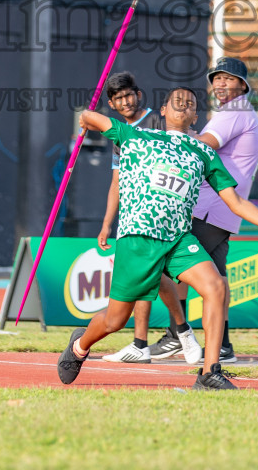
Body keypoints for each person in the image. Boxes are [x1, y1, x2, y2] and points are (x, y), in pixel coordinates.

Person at [56, 87, 258, 391]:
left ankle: (210, 372)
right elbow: (92, 116)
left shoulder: (203, 153)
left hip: (177, 239)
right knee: (114, 321)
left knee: (215, 287)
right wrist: (84, 119)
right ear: (163, 111)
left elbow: (236, 202)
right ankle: (80, 345)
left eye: (190, 103)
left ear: (195, 116)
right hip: (138, 239)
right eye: (177, 101)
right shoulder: (139, 138)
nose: (184, 104)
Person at [152, 56, 258, 363]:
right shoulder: (240, 113)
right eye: (217, 78)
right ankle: (223, 345)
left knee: (176, 267)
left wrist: (168, 135)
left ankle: (177, 335)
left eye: (228, 79)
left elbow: (204, 145)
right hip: (222, 209)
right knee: (217, 277)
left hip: (210, 206)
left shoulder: (235, 111)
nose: (221, 83)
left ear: (242, 85)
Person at [97, 72, 199, 365]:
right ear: (112, 104)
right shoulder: (120, 133)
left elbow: (187, 153)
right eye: (118, 99)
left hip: (165, 215)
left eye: (129, 95)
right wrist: (107, 223)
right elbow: (117, 181)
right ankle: (148, 341)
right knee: (149, 276)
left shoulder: (159, 122)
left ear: (138, 95)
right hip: (134, 216)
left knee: (154, 274)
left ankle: (172, 334)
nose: (126, 101)